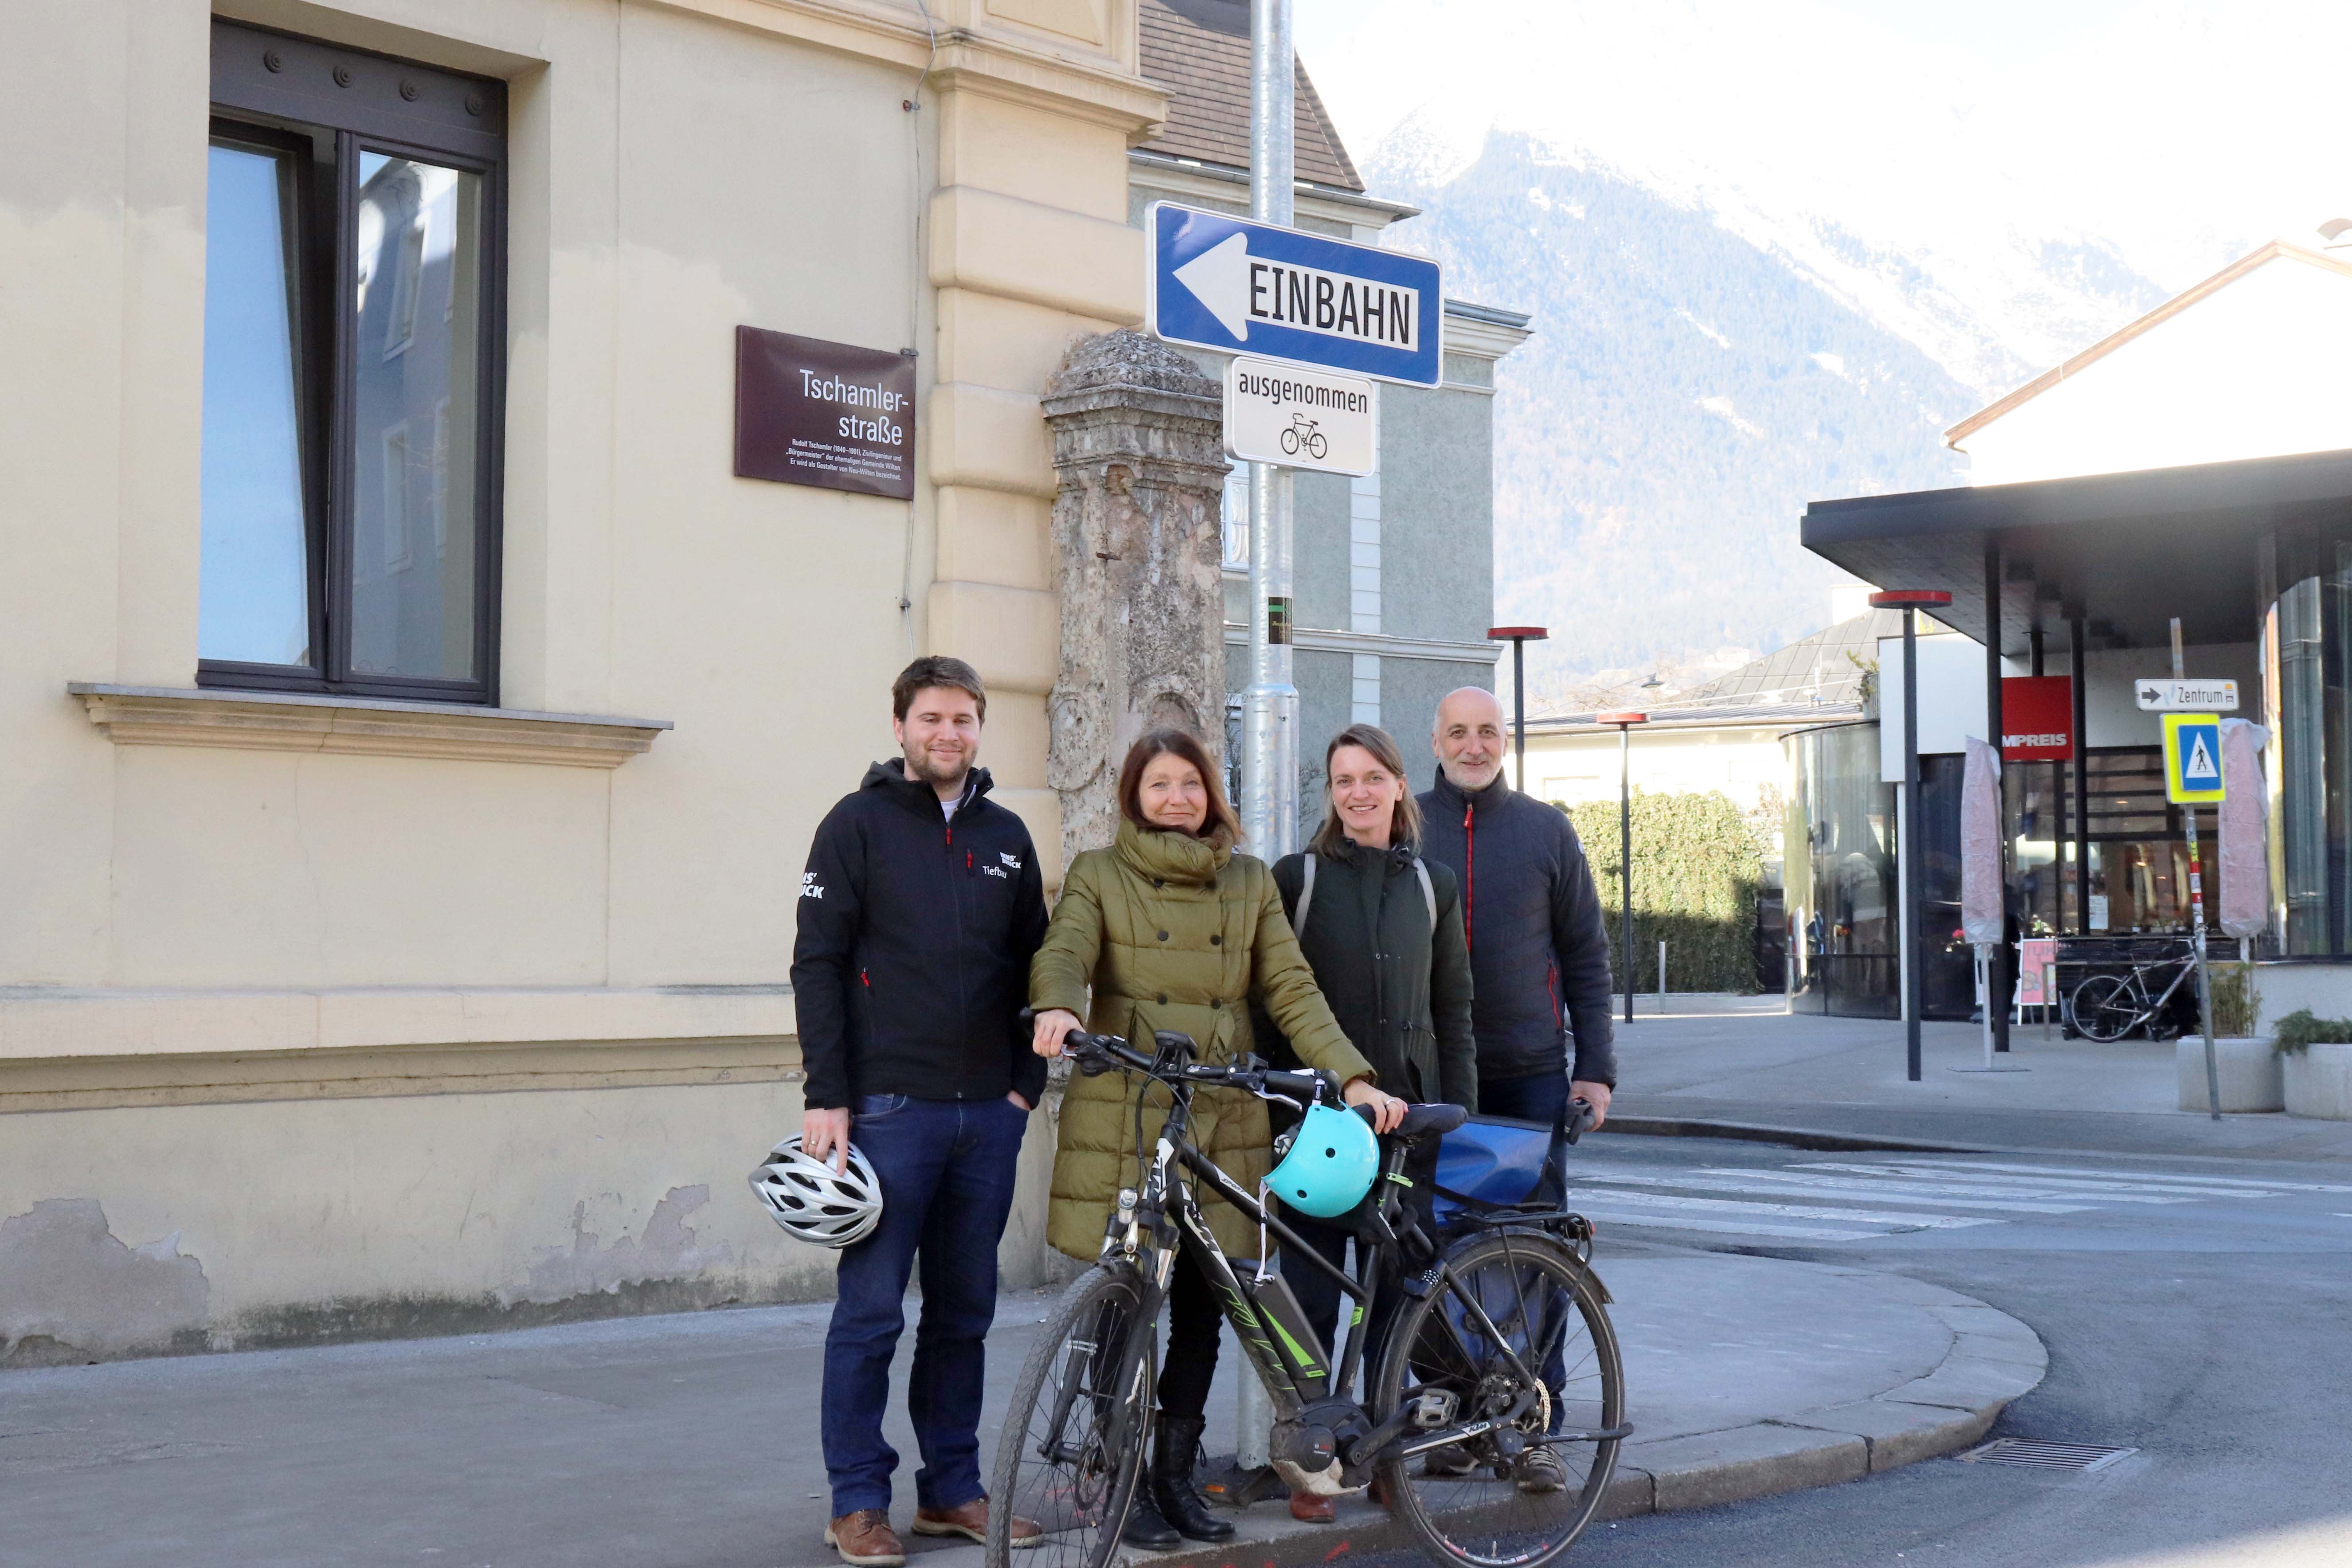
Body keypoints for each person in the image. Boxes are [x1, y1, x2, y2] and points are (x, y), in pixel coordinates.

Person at [1029, 727, 1405, 1548]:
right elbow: (1064, 951)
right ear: (1134, 794)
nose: (1176, 799)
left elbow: (1290, 987)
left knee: (1206, 1306)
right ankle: (1117, 1477)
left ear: (1211, 793)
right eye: (1159, 784)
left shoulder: (1246, 881)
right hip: (1129, 1107)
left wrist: (1351, 1077)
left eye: (1190, 784)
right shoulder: (1099, 873)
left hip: (1222, 1112)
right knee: (1126, 1306)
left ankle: (1173, 1476)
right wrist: (1057, 1007)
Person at [791, 657, 1050, 1568]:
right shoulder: (855, 825)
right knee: (869, 1315)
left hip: (987, 1114)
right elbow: (816, 963)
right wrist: (828, 1094)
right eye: (932, 717)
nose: (949, 733)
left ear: (980, 728)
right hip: (886, 1110)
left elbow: (1039, 968)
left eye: (965, 719)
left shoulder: (1008, 836)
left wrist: (1025, 1087)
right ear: (901, 724)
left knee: (963, 1312)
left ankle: (951, 1489)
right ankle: (858, 1501)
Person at [1263, 723, 1477, 1521]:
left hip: (1408, 1127)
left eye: (1370, 777)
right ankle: (1311, 1467)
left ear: (1396, 785)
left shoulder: (1433, 884)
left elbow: (1454, 1005)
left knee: (1394, 1297)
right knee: (1314, 1292)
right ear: (1331, 793)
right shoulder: (1300, 877)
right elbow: (1272, 1000)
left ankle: (1386, 1459)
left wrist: (1461, 1111)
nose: (1356, 792)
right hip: (1322, 1126)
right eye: (1341, 779)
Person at [1418, 687, 1618, 1496]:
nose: (1474, 745)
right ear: (1434, 740)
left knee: (1536, 1256)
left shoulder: (1546, 830)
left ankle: (1537, 1426)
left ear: (1506, 741)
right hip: (1434, 1079)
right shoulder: (1408, 821)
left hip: (1530, 1072)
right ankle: (1454, 1423)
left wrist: (1595, 1067)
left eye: (1488, 732)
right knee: (1434, 1257)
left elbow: (1586, 957)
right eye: (1459, 732)